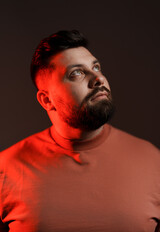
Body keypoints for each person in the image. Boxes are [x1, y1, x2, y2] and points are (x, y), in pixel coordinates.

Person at [0, 30, 159, 232]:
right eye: (77, 73)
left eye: (96, 67)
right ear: (46, 100)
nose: (98, 79)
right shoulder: (5, 170)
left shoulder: (154, 162)